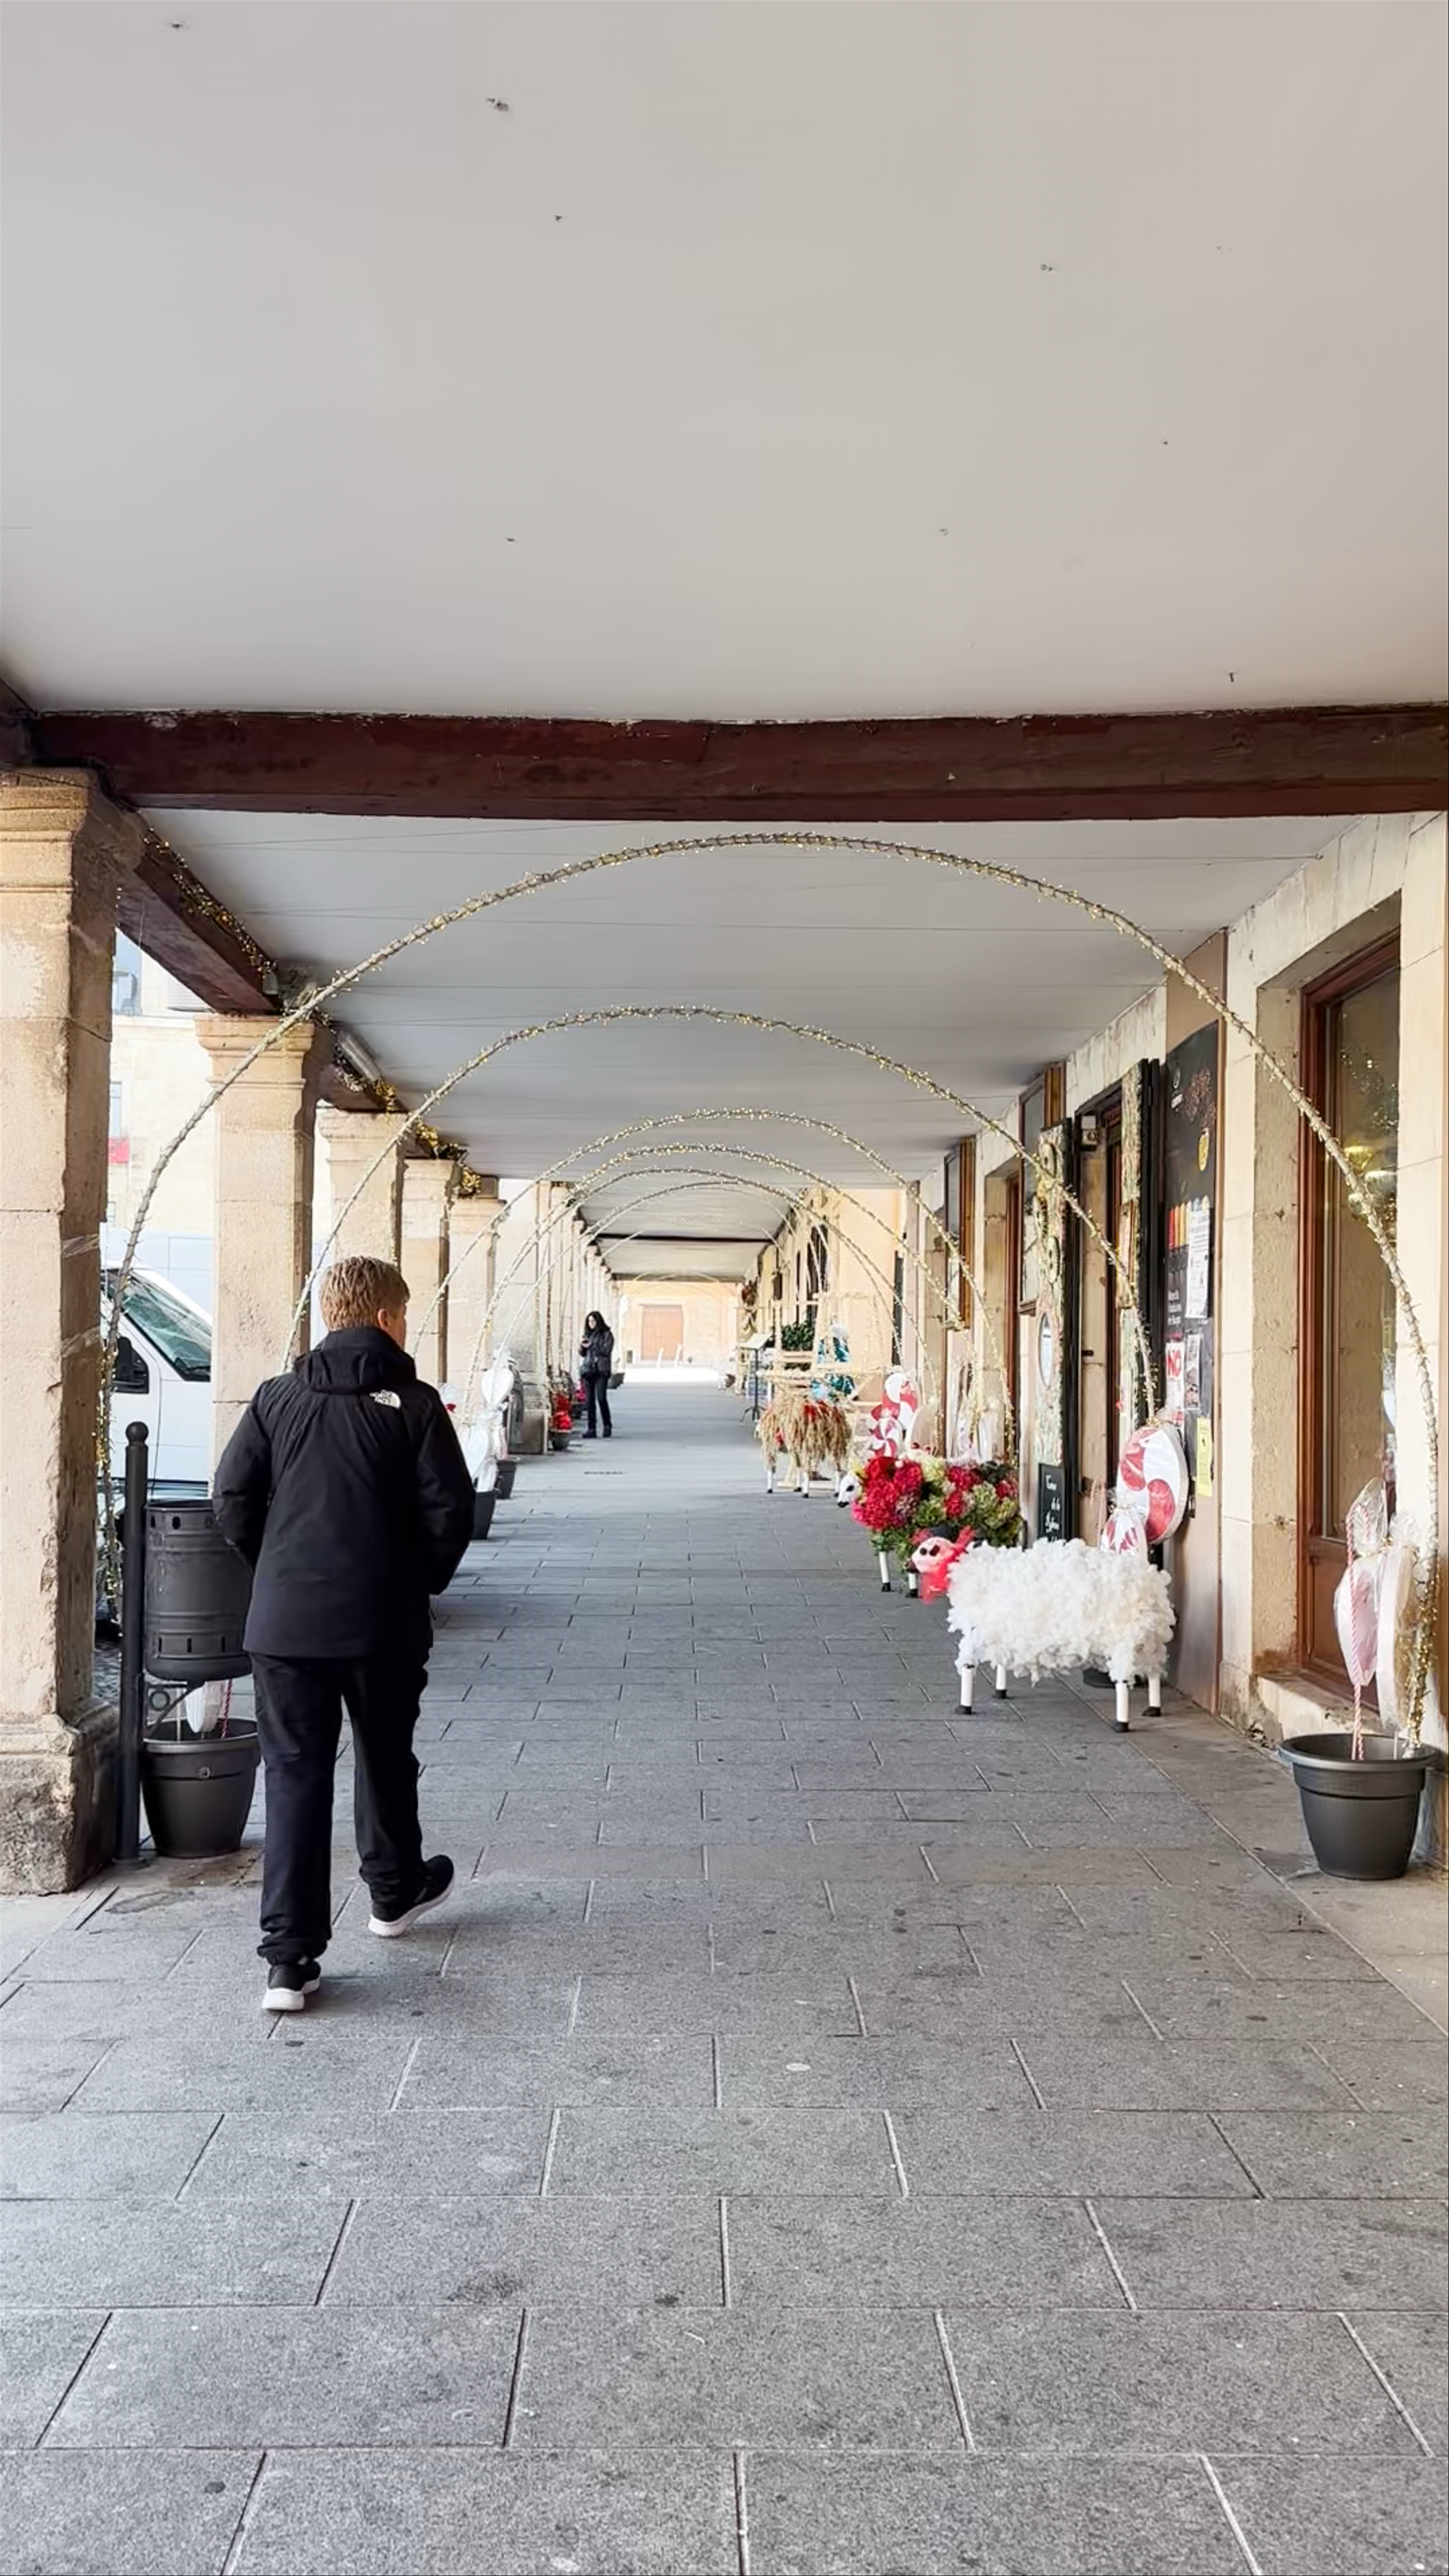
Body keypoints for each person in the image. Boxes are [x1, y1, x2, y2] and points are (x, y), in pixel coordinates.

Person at [214, 1254, 475, 2012]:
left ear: (330, 1315)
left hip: (285, 1624)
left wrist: (277, 1571)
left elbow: (231, 1497)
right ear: (388, 1317)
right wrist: (416, 1579)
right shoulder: (416, 1405)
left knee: (294, 1774)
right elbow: (450, 1510)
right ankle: (393, 1892)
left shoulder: (276, 1397)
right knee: (385, 1754)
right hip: (382, 1620)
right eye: (405, 1314)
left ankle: (289, 1961)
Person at [578, 1309, 615, 1438]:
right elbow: (583, 1354)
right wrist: (583, 1347)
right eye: (589, 1322)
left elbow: (607, 1350)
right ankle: (592, 1429)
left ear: (599, 1321)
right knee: (590, 1401)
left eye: (593, 1321)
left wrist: (592, 1345)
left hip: (601, 1370)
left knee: (601, 1398)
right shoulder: (587, 1335)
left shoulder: (607, 1334)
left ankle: (607, 1426)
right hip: (589, 1370)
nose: (591, 1324)